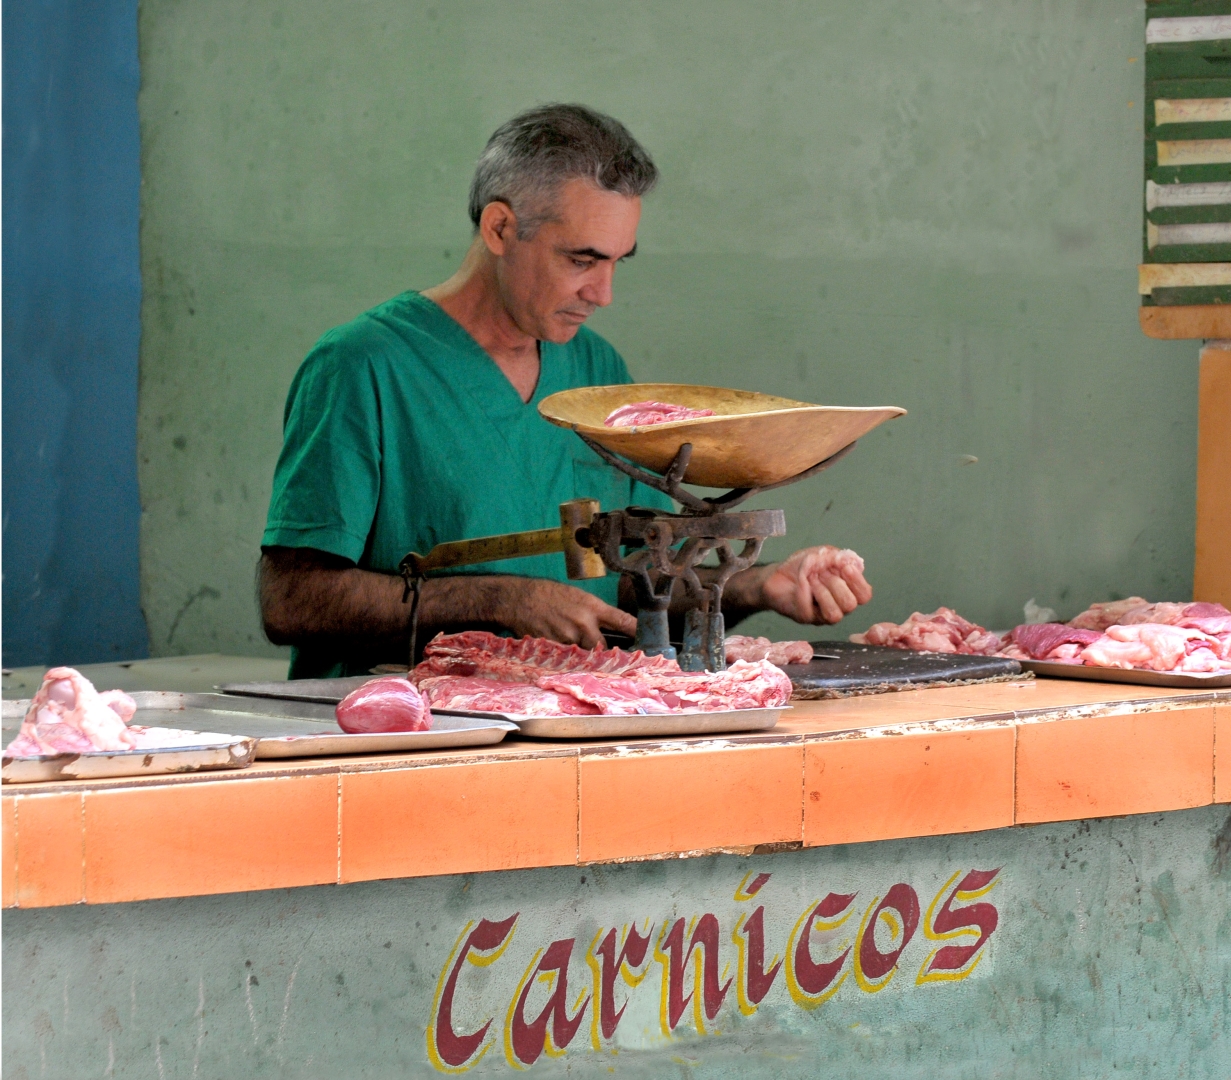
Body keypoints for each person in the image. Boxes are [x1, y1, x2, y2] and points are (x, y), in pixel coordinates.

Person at [258, 104, 872, 678]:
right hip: (408, 735)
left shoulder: (595, 370)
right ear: (501, 228)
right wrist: (500, 600)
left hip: (566, 729)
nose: (602, 294)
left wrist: (757, 585)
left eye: (616, 263)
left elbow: (629, 588)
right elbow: (291, 600)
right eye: (580, 261)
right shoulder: (363, 365)